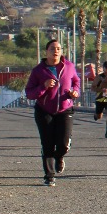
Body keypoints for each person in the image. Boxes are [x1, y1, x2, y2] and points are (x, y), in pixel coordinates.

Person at [24, 39, 81, 186]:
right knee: (47, 143)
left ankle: (59, 156)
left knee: (63, 144)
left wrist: (75, 92)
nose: (55, 51)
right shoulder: (38, 70)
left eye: (58, 48)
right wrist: (43, 86)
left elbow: (76, 82)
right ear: (46, 52)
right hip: (44, 111)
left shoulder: (69, 66)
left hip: (65, 109)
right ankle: (49, 176)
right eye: (52, 48)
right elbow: (29, 93)